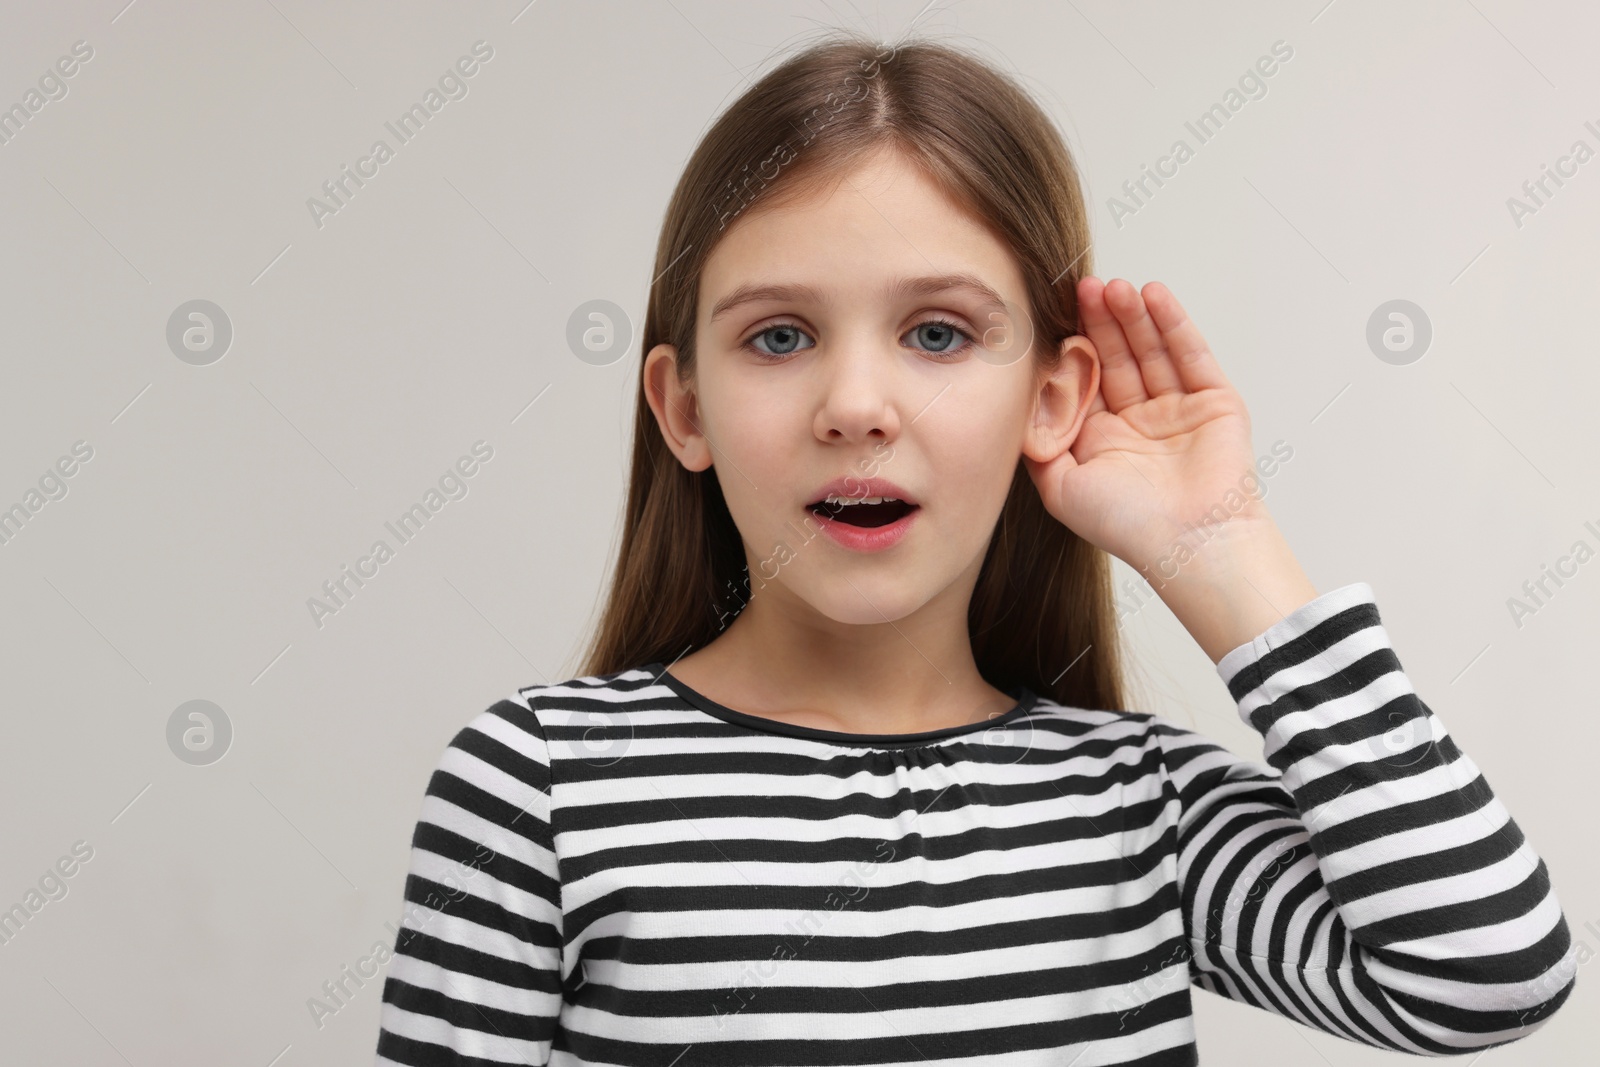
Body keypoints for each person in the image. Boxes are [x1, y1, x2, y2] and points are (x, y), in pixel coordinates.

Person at [372, 31, 1576, 1065]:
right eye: (780, 336)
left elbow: (1486, 975)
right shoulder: (542, 782)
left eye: (937, 333)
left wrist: (1222, 547)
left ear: (1051, 400)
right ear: (682, 407)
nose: (855, 402)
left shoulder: (1138, 804)